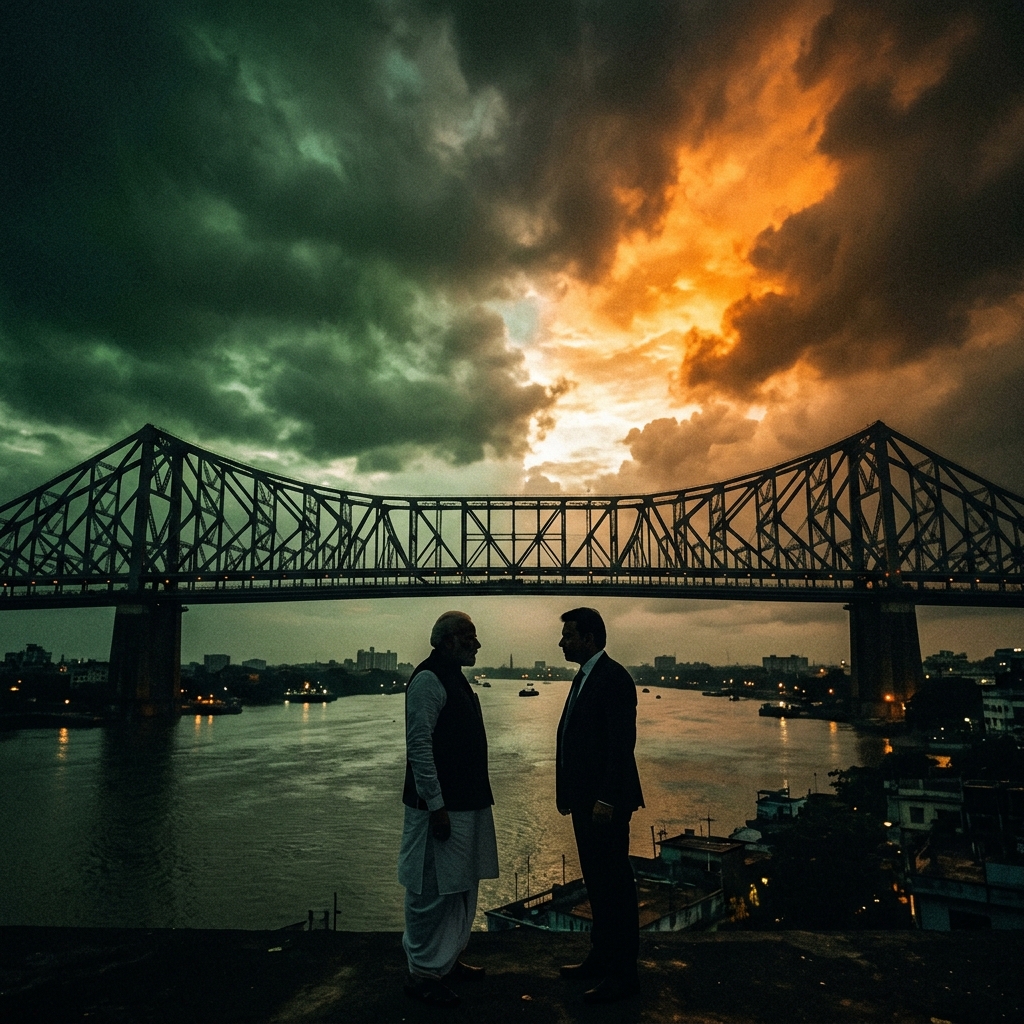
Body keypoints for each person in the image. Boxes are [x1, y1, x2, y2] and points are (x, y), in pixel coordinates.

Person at [398, 611, 498, 1008]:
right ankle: (423, 974)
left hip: (467, 803)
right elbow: (419, 747)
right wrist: (435, 805)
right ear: (449, 640)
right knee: (430, 890)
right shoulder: (427, 680)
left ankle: (447, 960)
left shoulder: (454, 677)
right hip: (439, 808)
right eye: (470, 637)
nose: (477, 644)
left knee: (460, 887)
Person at [555, 607, 644, 1004]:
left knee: (615, 887)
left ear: (589, 638)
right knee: (596, 883)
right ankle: (601, 957)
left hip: (604, 804)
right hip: (586, 803)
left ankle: (622, 975)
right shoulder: (585, 678)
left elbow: (621, 745)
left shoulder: (613, 678)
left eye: (568, 635)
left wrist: (607, 798)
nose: (561, 642)